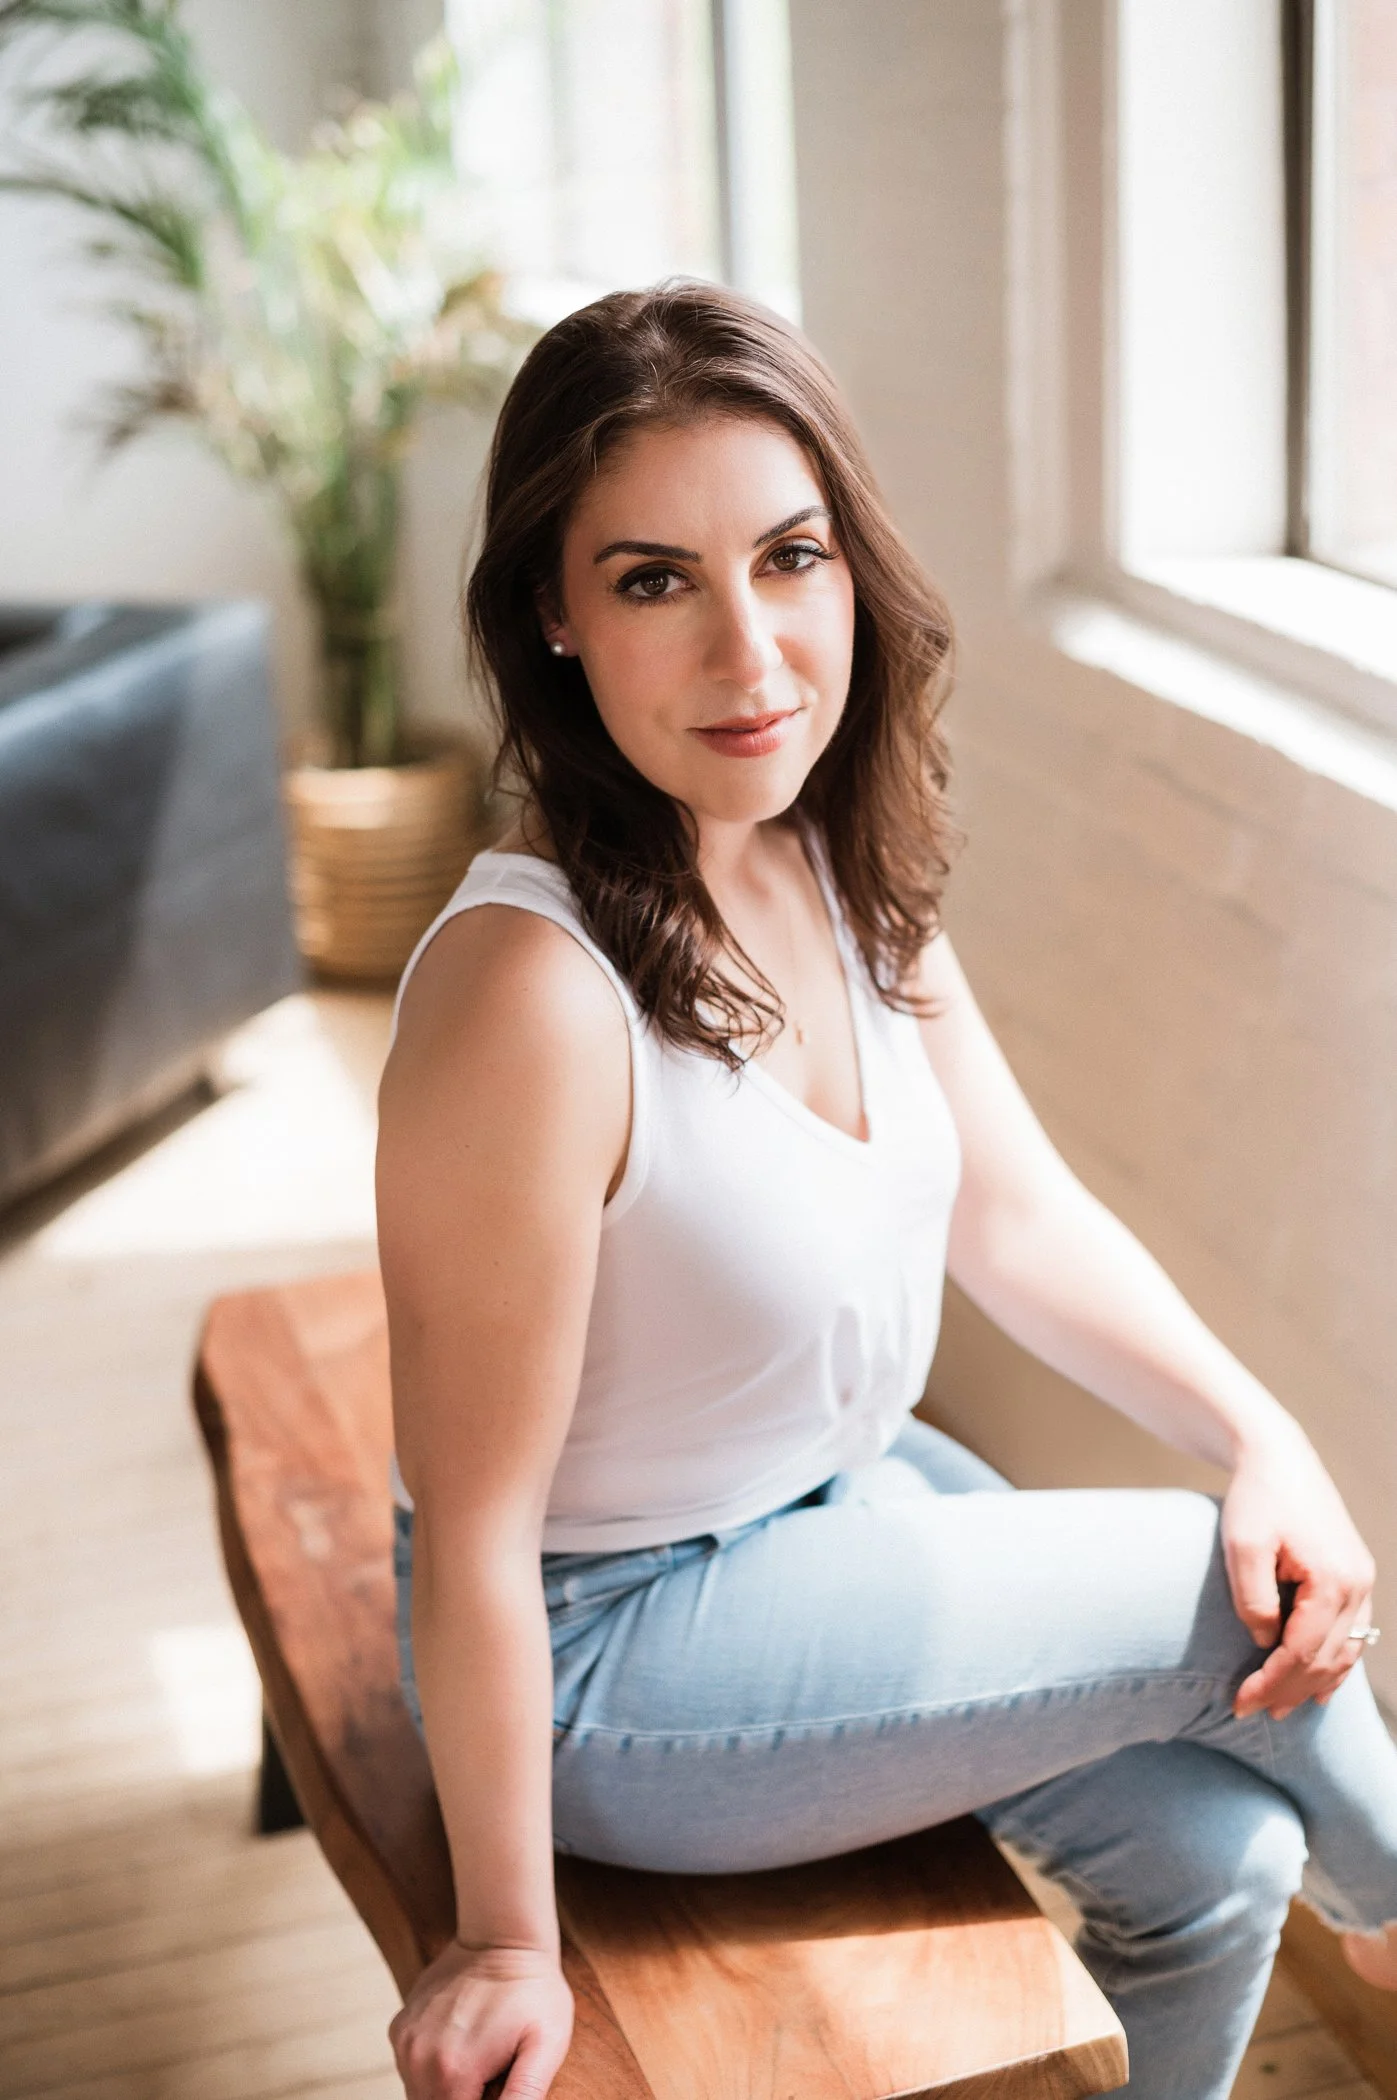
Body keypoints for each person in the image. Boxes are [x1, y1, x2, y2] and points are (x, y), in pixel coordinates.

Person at [375, 280, 1397, 2100]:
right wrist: (502, 1938)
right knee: (1219, 1588)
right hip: (607, 1652)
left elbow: (1015, 1214)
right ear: (552, 617)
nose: (752, 657)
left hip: (829, 1506)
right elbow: (473, 1524)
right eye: (652, 580)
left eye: (790, 558)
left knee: (1223, 1859)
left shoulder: (833, 860)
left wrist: (1266, 1433)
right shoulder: (529, 993)